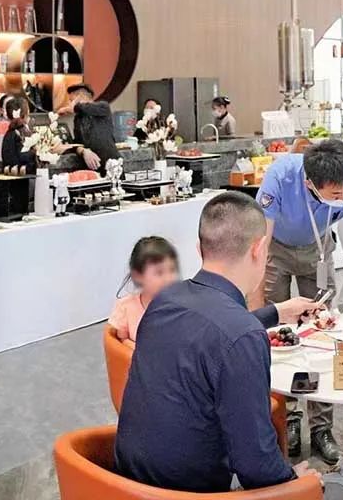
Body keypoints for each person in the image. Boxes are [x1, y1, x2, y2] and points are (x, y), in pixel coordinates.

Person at [115, 192, 322, 492]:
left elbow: (210, 328)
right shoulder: (242, 336)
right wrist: (294, 483)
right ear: (259, 249)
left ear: (200, 248)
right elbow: (256, 465)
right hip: (190, 492)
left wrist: (277, 312)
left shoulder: (165, 300)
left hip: (126, 480)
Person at [254, 139, 343, 462]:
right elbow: (259, 247)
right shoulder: (279, 177)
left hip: (319, 248)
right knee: (279, 336)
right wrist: (256, 319)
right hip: (275, 250)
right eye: (336, 194)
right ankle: (287, 416)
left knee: (323, 333)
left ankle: (321, 426)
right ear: (309, 183)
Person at [108, 237, 180, 342]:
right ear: (138, 276)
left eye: (172, 270)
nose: (168, 278)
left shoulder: (181, 306)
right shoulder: (126, 307)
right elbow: (119, 343)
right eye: (159, 272)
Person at [57, 83, 120, 172]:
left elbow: (80, 108)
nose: (70, 103)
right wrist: (84, 151)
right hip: (92, 167)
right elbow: (77, 144)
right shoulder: (78, 118)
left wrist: (66, 109)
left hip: (112, 165)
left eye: (71, 100)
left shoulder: (103, 107)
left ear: (80, 96)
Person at [0, 95, 36, 175]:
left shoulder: (9, 133)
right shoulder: (22, 133)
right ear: (26, 113)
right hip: (24, 178)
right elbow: (25, 158)